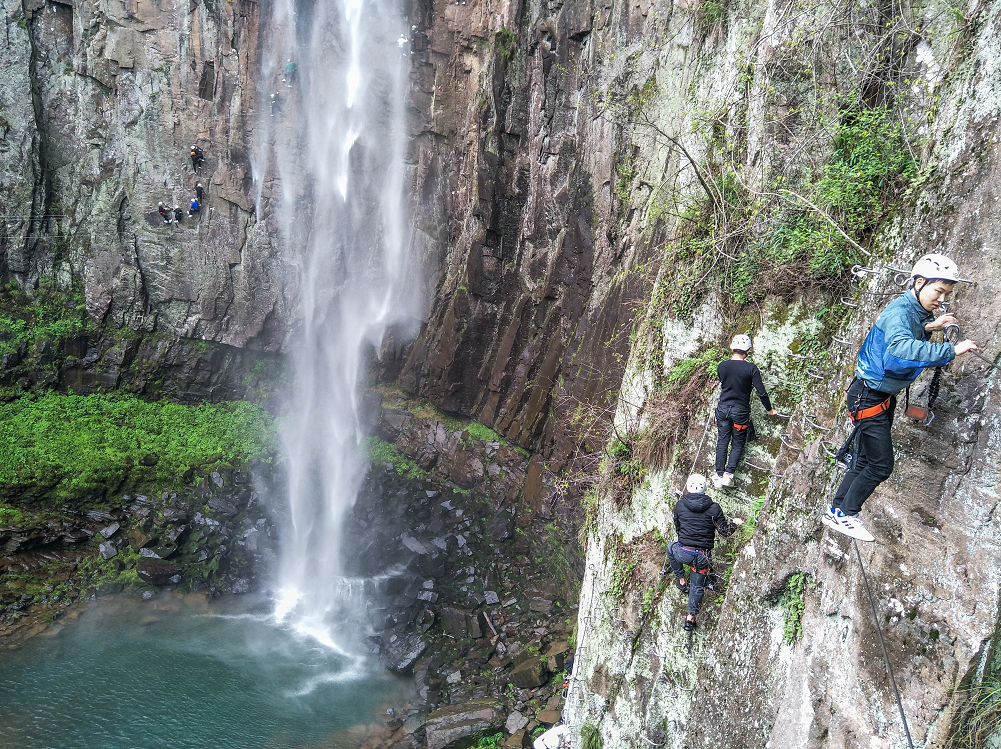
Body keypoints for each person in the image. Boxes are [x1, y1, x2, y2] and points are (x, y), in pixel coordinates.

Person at [822, 253, 978, 542]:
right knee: (881, 465)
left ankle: (836, 511)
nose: (941, 299)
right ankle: (846, 515)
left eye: (947, 293)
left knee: (864, 460)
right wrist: (949, 351)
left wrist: (930, 327)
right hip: (870, 397)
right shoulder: (901, 312)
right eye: (938, 291)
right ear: (919, 283)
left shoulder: (913, 311)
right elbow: (899, 347)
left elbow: (906, 334)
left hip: (875, 396)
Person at [669, 474, 742, 631]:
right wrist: (734, 524)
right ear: (705, 488)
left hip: (683, 551)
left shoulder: (680, 505)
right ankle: (690, 619)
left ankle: (681, 579)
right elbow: (724, 532)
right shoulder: (714, 508)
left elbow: (677, 526)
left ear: (688, 486)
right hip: (702, 556)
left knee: (670, 548)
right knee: (697, 586)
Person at [712, 334, 778, 489]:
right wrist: (769, 410)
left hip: (722, 410)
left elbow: (724, 383)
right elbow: (761, 392)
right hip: (740, 412)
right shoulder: (751, 369)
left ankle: (718, 475)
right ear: (749, 350)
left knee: (722, 441)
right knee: (738, 442)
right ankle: (728, 475)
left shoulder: (722, 366)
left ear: (732, 348)